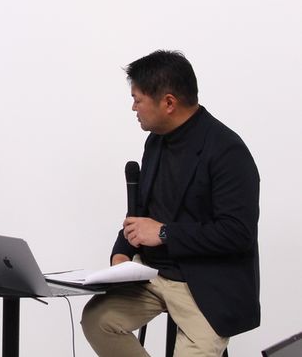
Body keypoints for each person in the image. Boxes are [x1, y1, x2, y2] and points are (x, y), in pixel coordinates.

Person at [81, 50, 260, 357]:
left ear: (168, 102)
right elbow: (141, 214)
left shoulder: (228, 152)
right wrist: (121, 254)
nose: (133, 107)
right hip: (153, 276)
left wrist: (165, 233)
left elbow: (237, 233)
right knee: (98, 320)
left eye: (137, 99)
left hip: (205, 284)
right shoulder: (156, 140)